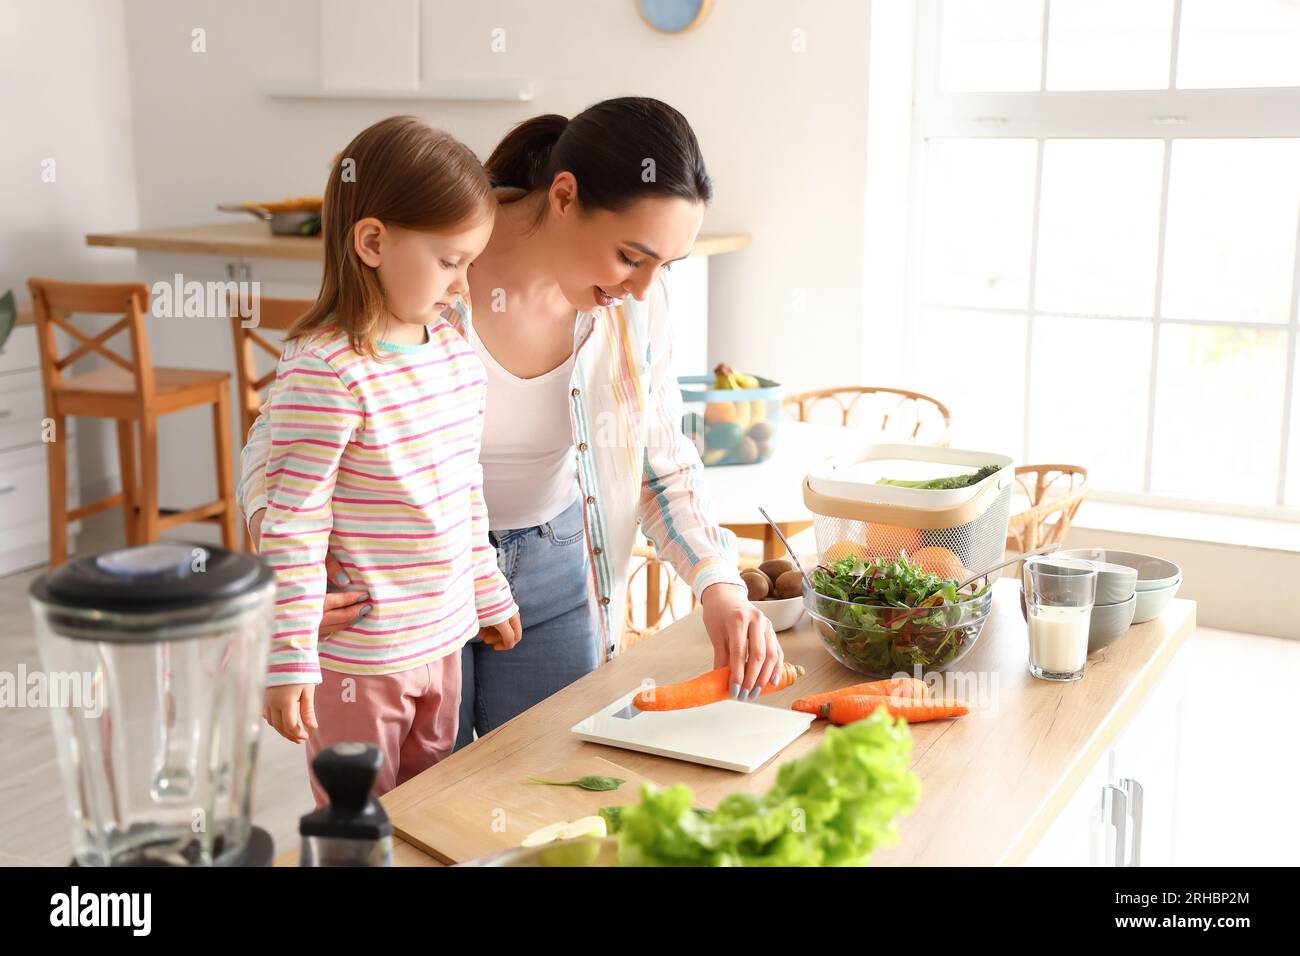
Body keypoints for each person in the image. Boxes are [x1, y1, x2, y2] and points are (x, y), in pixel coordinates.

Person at [241, 98, 781, 754]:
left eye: (665, 265)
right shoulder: (432, 259)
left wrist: (717, 584)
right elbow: (287, 435)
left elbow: (660, 460)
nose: (644, 287)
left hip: (554, 573)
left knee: (545, 786)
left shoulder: (636, 306)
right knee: (410, 808)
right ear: (563, 195)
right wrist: (285, 563)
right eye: (631, 256)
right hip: (400, 588)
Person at [257, 116, 520, 803]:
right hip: (362, 663)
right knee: (358, 828)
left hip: (443, 644)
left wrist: (485, 589)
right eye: (450, 261)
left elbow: (464, 484)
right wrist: (289, 655)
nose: (462, 286)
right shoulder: (327, 370)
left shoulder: (456, 354)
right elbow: (292, 520)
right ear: (372, 242)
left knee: (427, 813)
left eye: (470, 263)